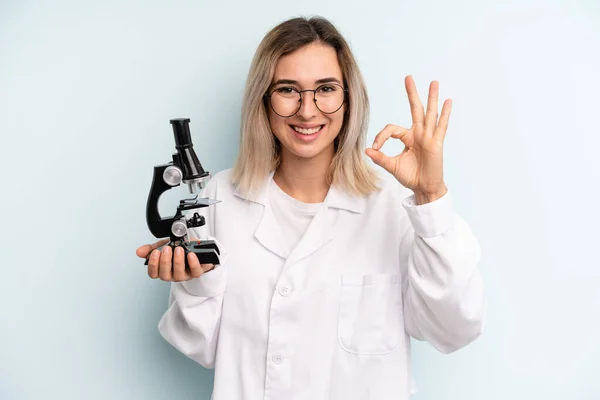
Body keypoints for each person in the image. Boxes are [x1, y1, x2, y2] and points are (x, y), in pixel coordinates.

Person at [136, 15, 486, 400]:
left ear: (348, 99)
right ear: (263, 102)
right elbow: (199, 346)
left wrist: (431, 195)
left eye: (326, 89)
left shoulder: (395, 207)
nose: (307, 110)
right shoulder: (219, 198)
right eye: (288, 89)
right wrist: (195, 283)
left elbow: (455, 327)